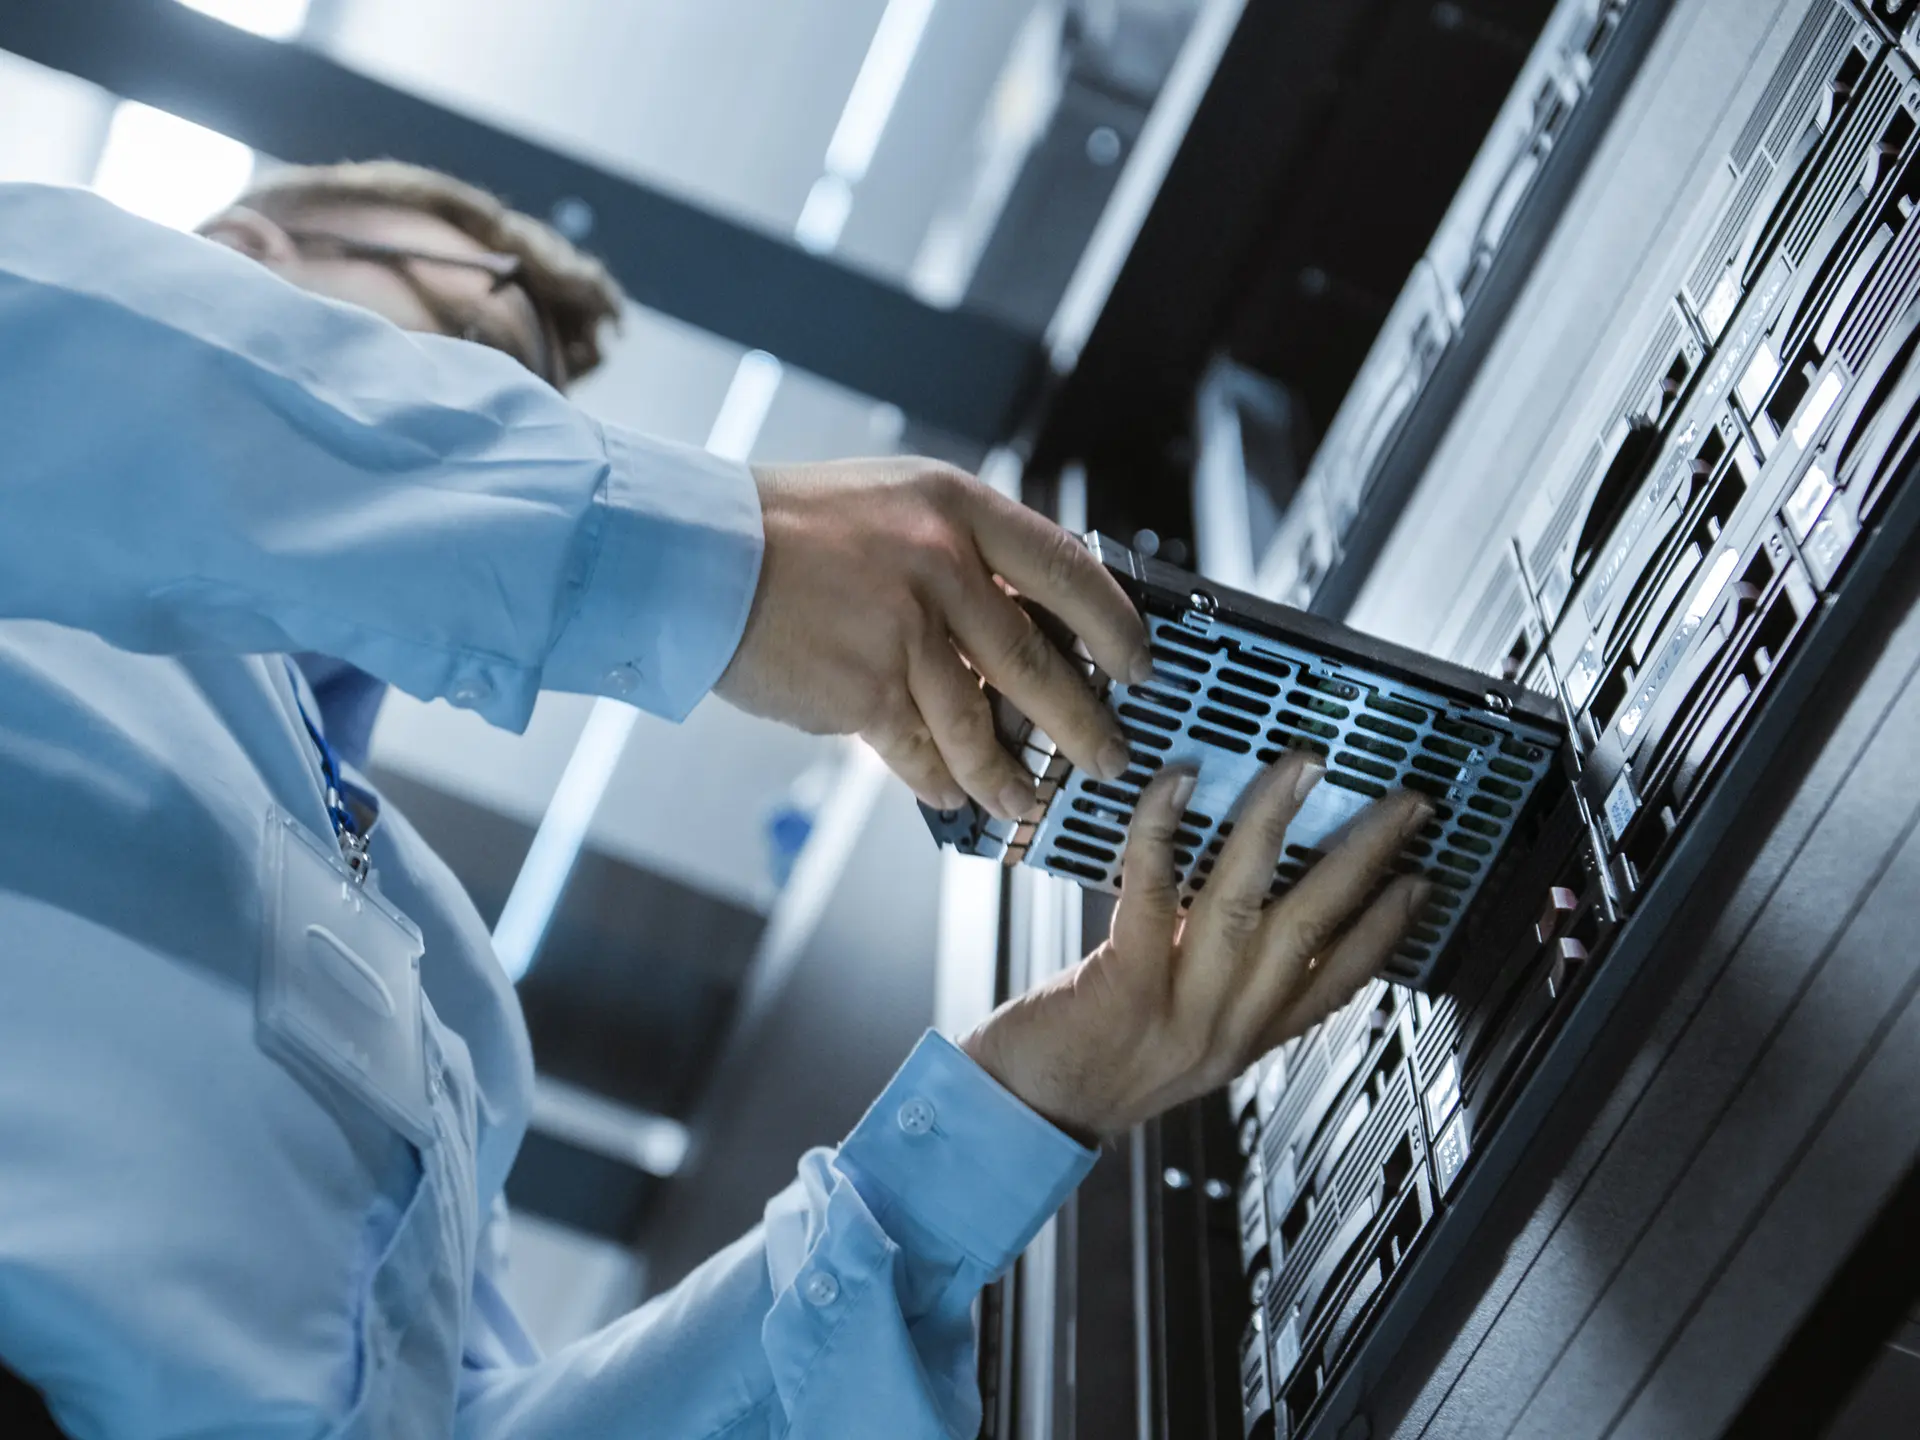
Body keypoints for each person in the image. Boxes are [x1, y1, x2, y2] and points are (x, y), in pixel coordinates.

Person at [0, 164, 1430, 1439]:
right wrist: (718, 560)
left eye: (530, 403)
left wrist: (1028, 1103)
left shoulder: (445, 995)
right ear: (244, 243)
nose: (506, 409)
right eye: (484, 331)